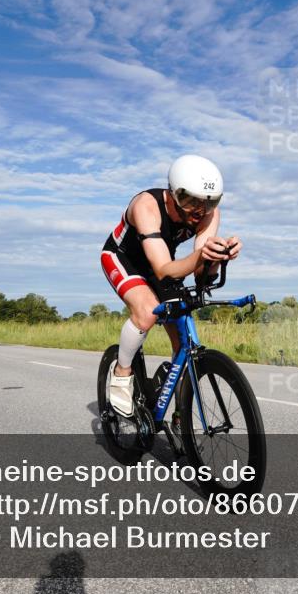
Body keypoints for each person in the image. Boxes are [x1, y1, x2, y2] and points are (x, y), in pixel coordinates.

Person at [100, 155, 240, 417]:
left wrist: (216, 259)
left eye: (210, 202)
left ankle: (180, 416)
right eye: (191, 201)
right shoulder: (146, 205)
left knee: (183, 336)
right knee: (146, 311)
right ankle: (121, 373)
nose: (200, 210)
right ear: (174, 193)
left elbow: (200, 273)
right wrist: (201, 256)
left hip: (163, 264)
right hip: (124, 259)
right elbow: (164, 269)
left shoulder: (208, 215)